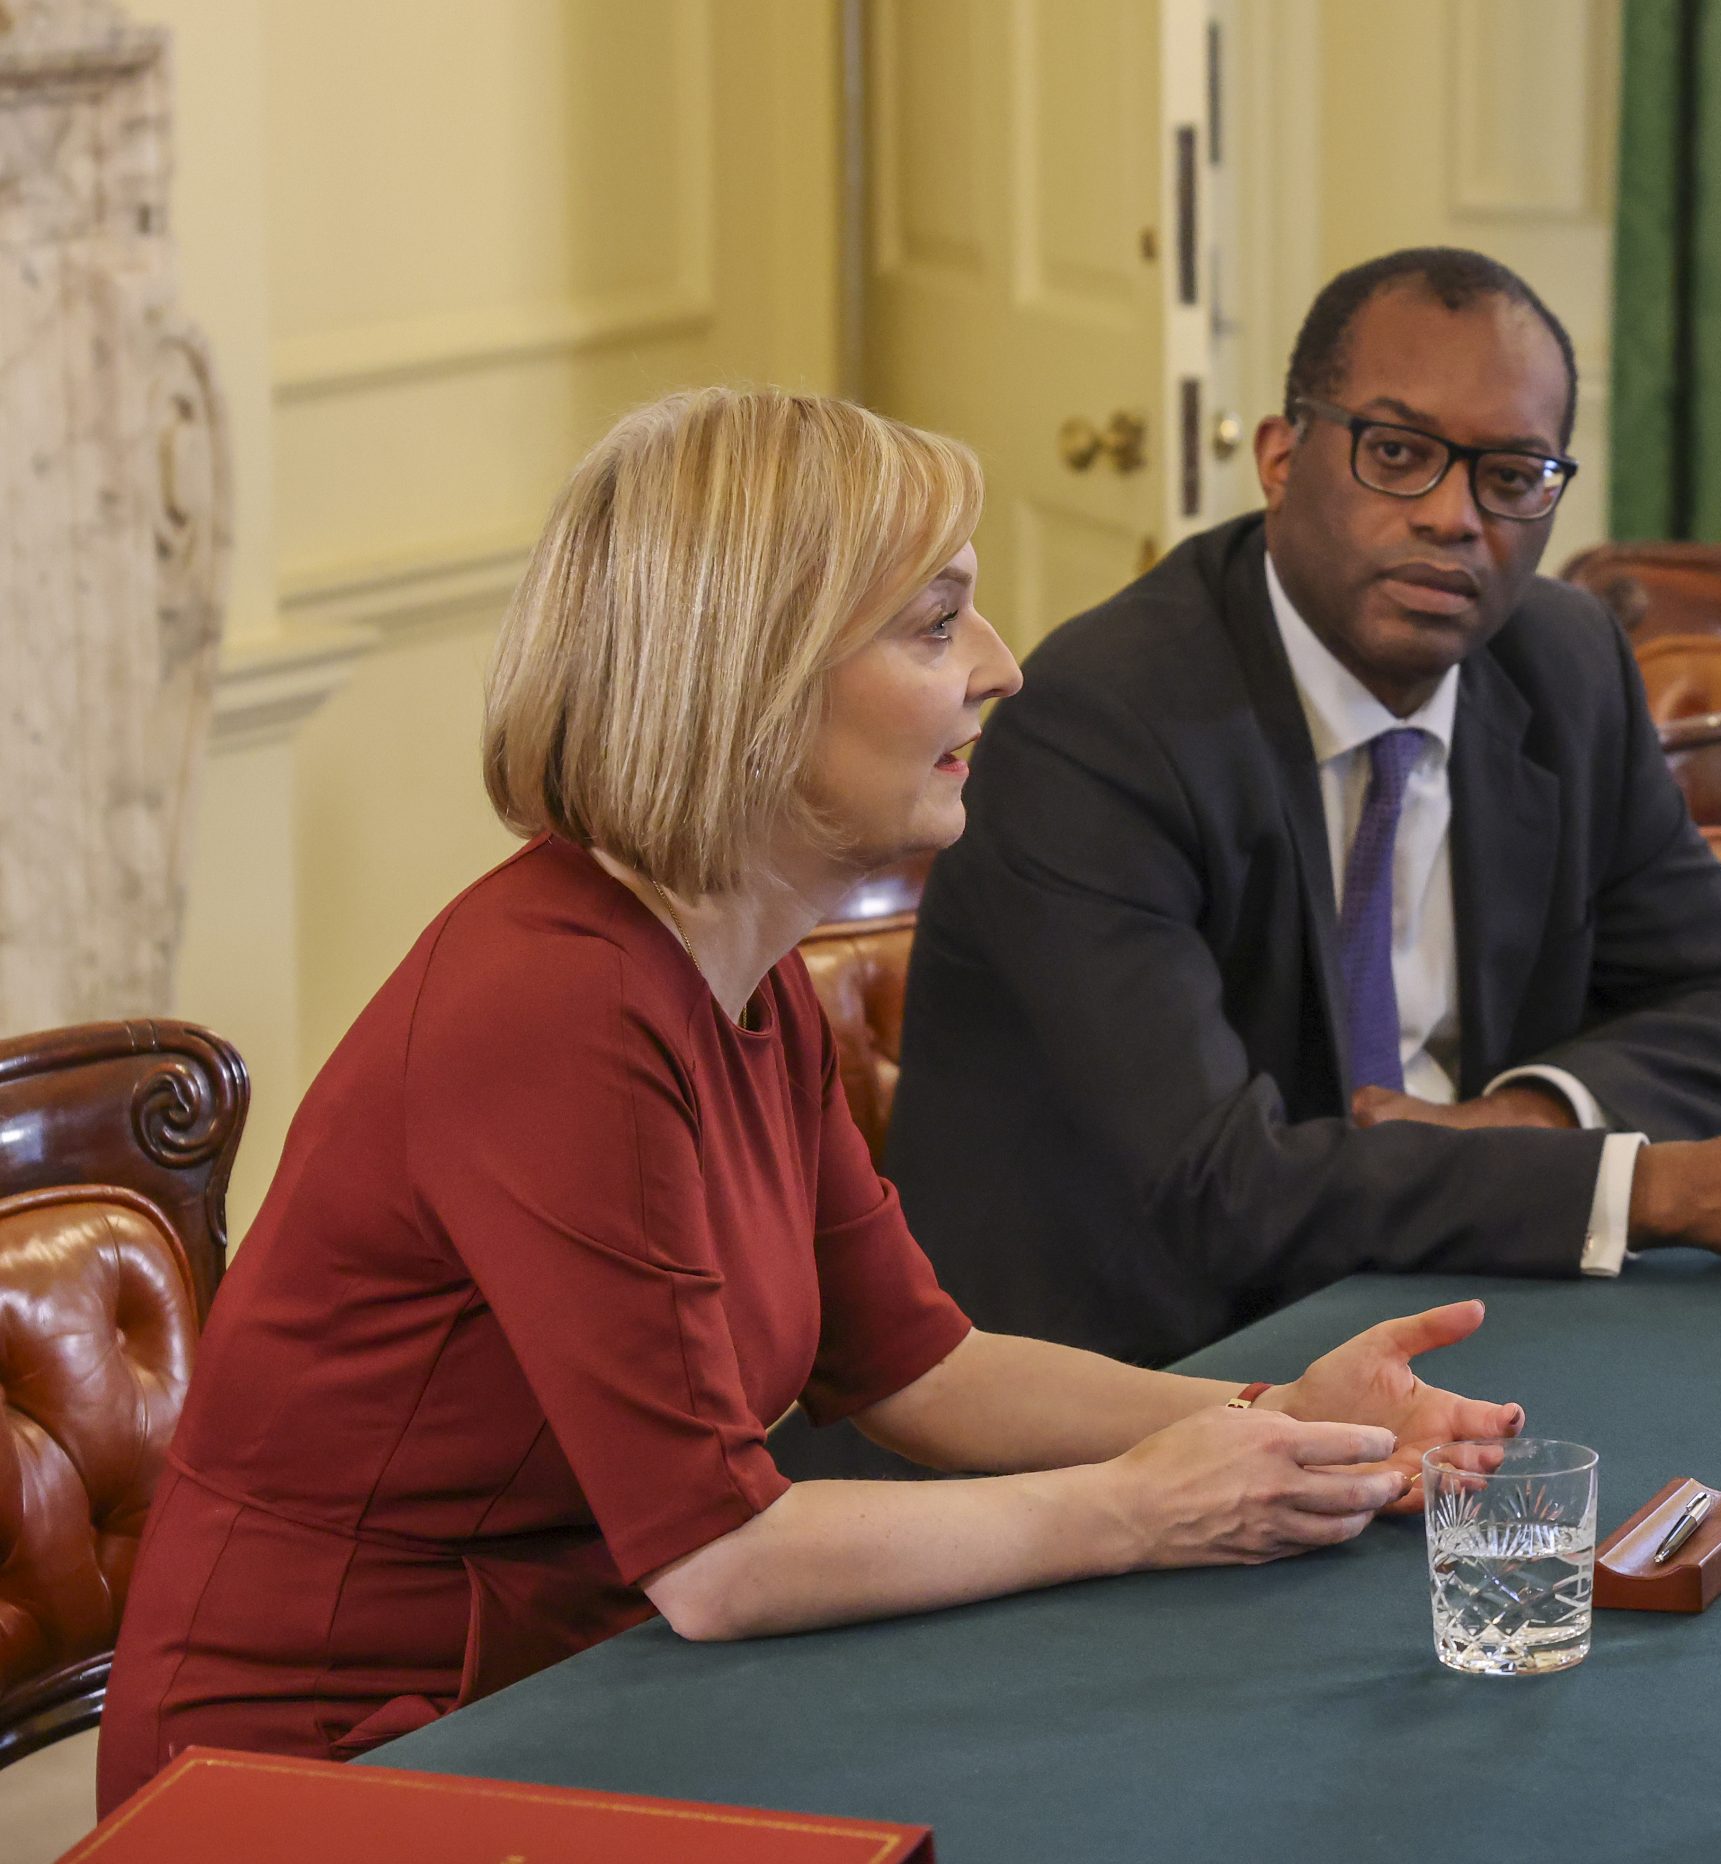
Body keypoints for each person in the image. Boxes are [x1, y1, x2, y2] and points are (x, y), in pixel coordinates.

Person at [97, 390, 1523, 1813]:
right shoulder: (554, 1006)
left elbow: (920, 1371)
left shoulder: (736, 967)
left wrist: (1275, 1419)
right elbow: (723, 1565)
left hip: (577, 1690)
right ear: (751, 679)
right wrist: (1140, 1508)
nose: (1003, 667)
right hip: (334, 1762)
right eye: (935, 622)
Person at [884, 249, 1721, 1368]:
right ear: (1282, 459)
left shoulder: (1562, 662)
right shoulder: (1106, 723)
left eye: (1513, 475)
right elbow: (1218, 1187)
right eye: (1397, 454)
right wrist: (1656, 1187)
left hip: (1457, 1309)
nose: (1452, 517)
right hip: (1130, 1377)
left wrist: (1515, 1123)